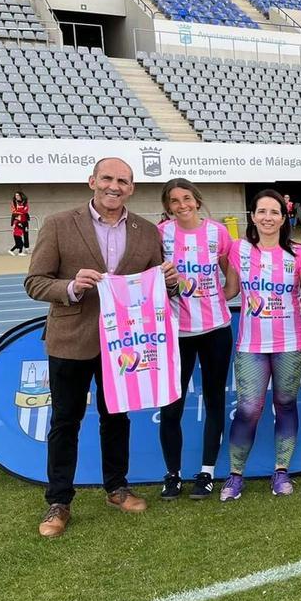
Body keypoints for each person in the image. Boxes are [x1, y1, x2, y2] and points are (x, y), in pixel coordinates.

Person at [24, 157, 180, 538]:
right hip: (71, 339)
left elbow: (156, 286)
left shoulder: (146, 231)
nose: (115, 186)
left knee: (116, 419)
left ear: (132, 188)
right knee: (65, 421)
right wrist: (72, 287)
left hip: (123, 345)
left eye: (123, 181)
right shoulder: (59, 224)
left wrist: (171, 281)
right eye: (107, 178)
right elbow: (35, 283)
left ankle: (116, 486)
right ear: (92, 181)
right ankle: (58, 500)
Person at [218, 190, 301, 501]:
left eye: (274, 212)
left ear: (283, 217)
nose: (268, 217)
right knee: (248, 409)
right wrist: (192, 290)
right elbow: (231, 291)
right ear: (252, 216)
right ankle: (235, 476)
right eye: (262, 211)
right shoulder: (239, 250)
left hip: (292, 341)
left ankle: (281, 471)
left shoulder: (299, 254)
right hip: (252, 344)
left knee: (285, 404)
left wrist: (292, 308)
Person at [156, 178, 234, 500]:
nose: (182, 205)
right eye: (174, 201)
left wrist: (221, 300)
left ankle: (207, 472)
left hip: (216, 330)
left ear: (197, 200)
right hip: (178, 334)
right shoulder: (161, 234)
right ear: (168, 207)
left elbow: (232, 275)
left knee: (214, 401)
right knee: (171, 405)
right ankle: (172, 475)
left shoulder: (218, 233)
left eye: (186, 198)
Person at [10, 191, 30, 255]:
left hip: (25, 221)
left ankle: (26, 248)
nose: (17, 197)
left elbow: (26, 210)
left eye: (18, 195)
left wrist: (19, 211)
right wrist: (19, 212)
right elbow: (14, 211)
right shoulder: (14, 203)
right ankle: (19, 250)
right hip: (18, 221)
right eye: (16, 196)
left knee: (26, 234)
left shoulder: (25, 202)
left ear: (21, 196)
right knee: (18, 235)